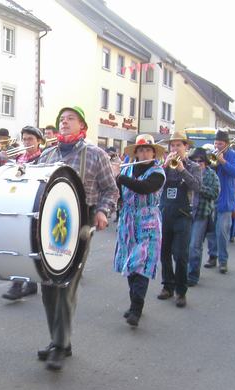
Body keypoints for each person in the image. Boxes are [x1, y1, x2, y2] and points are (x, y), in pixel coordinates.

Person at [36, 106, 118, 370]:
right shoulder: (47, 154)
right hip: (48, 225)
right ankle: (59, 340)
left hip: (80, 224)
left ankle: (60, 344)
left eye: (70, 119)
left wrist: (103, 212)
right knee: (48, 285)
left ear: (82, 126)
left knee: (66, 285)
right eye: (61, 119)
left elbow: (110, 189)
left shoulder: (96, 154)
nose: (64, 122)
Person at [114, 134, 166, 327]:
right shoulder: (128, 170)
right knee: (130, 264)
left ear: (153, 152)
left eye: (148, 150)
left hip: (147, 221)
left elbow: (144, 188)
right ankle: (133, 302)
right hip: (127, 221)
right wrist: (113, 178)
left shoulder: (158, 172)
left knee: (141, 265)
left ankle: (137, 308)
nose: (144, 153)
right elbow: (117, 191)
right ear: (135, 153)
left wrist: (120, 178)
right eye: (141, 150)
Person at [157, 131, 201, 308]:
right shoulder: (164, 165)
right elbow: (157, 185)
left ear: (186, 147)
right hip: (166, 212)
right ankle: (167, 286)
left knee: (181, 255)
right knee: (164, 253)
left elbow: (197, 186)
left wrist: (182, 169)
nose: (174, 149)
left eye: (178, 145)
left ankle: (181, 291)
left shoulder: (193, 166)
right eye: (172, 145)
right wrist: (165, 167)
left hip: (183, 215)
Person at [2, 125, 44, 301]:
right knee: (19, 244)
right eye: (24, 139)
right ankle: (27, 284)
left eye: (30, 139)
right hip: (18, 204)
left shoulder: (43, 158)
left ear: (39, 141)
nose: (26, 142)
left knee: (29, 245)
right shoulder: (19, 158)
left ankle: (20, 284)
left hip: (35, 206)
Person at [204, 130, 235, 274]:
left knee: (222, 231)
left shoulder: (234, 156)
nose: (217, 146)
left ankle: (223, 261)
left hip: (225, 199)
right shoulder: (212, 153)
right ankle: (212, 256)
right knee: (211, 231)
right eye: (216, 143)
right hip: (211, 198)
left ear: (226, 144)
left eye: (220, 143)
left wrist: (223, 161)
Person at [186, 148, 220, 287]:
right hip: (185, 213)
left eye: (201, 161)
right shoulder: (188, 171)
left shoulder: (211, 175)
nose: (198, 163)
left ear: (206, 162)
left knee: (195, 246)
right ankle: (184, 272)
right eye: (195, 160)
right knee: (184, 246)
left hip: (201, 214)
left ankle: (192, 275)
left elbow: (215, 193)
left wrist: (199, 187)